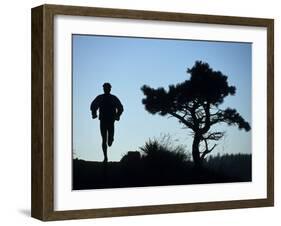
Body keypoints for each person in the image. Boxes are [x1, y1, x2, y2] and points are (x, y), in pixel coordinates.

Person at [90, 83, 123, 162]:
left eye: (107, 88)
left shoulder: (113, 98)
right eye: (105, 88)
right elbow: (93, 105)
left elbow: (120, 107)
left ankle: (111, 139)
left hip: (111, 121)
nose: (106, 89)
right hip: (103, 120)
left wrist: (118, 115)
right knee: (104, 139)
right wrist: (94, 113)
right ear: (103, 89)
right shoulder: (100, 97)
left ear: (110, 89)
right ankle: (105, 157)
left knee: (110, 139)